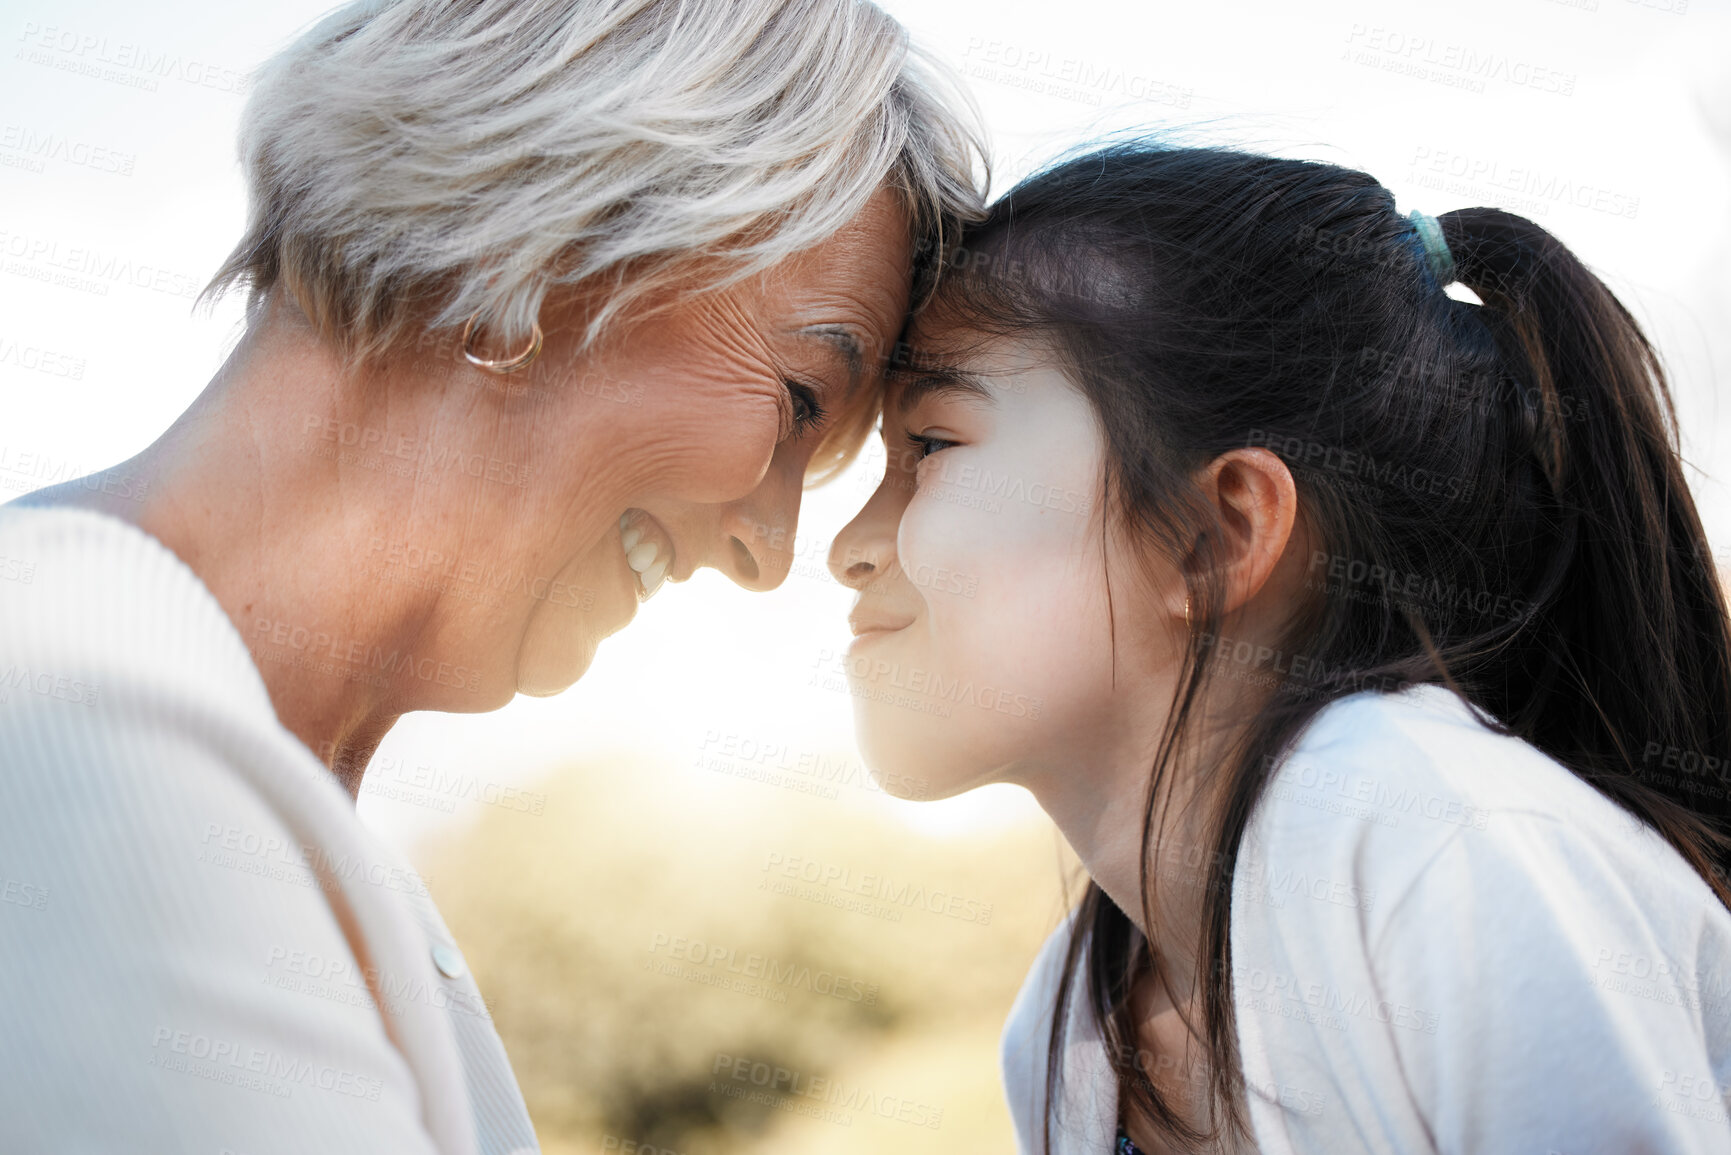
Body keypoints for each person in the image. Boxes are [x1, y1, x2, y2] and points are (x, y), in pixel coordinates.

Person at [0, 1, 984, 1151]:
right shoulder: (75, 715)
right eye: (801, 401)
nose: (767, 551)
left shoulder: (288, 821)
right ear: (533, 256)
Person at [828, 143, 1731, 1154]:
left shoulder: (1433, 838)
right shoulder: (1062, 1027)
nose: (848, 547)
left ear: (1211, 537)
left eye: (934, 447)